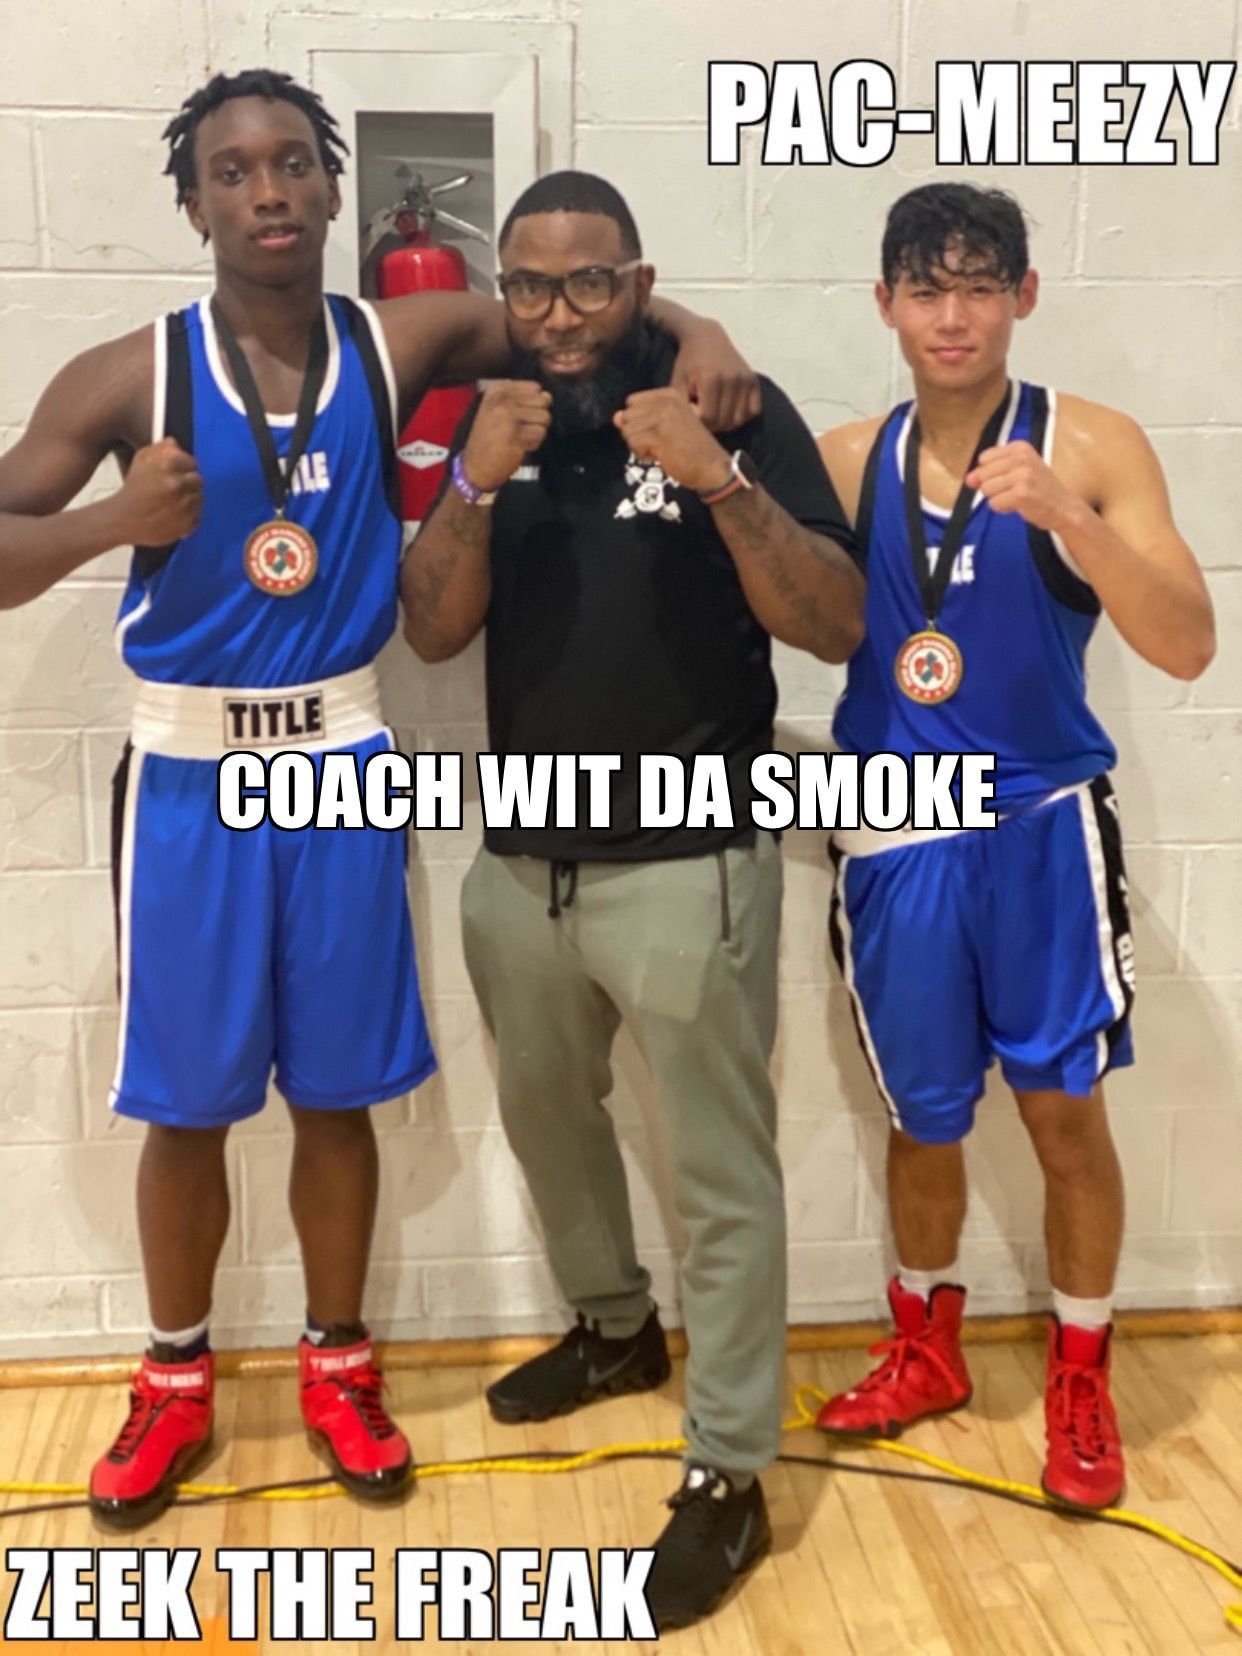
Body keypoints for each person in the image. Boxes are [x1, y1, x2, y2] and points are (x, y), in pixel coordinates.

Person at [0, 70, 756, 1530]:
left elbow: (588, 305)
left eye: (293, 165)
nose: (268, 192)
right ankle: (171, 1387)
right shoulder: (126, 376)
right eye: (233, 172)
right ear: (193, 200)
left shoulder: (399, 335)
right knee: (189, 1102)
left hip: (343, 764)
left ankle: (338, 1366)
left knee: (336, 1090)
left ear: (339, 189)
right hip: (192, 776)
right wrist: (113, 521)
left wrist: (708, 328)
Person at [403, 169, 866, 1628]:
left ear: (636, 281)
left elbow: (839, 623)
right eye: (529, 285)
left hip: (690, 865)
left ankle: (727, 1473)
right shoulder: (483, 408)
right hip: (518, 868)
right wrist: (473, 477)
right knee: (550, 1126)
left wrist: (720, 479)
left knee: (719, 1179)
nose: (557, 313)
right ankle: (613, 1332)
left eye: (590, 283)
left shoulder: (730, 403)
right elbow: (432, 626)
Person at [814, 183, 1215, 1510]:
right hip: (894, 841)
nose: (952, 313)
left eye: (978, 284)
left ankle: (1079, 1369)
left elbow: (1184, 644)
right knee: (921, 1120)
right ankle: (922, 1344)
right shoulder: (843, 458)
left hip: (1039, 829)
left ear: (1023, 296)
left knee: (1061, 1117)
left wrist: (1069, 522)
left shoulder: (1089, 445)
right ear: (882, 303)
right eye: (924, 288)